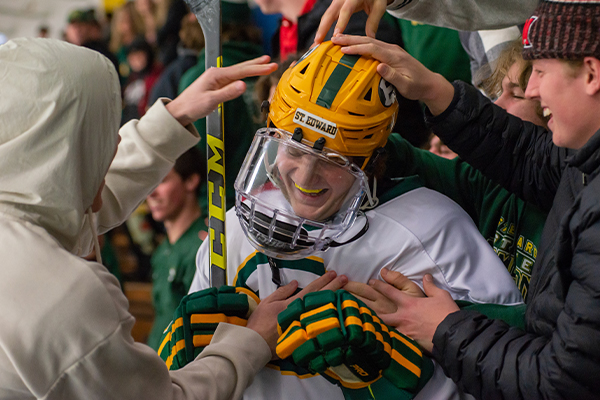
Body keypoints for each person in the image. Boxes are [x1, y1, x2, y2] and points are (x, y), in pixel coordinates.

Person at [188, 42, 523, 400]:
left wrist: (396, 373)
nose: (305, 176)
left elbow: (510, 378)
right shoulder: (234, 228)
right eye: (294, 148)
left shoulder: (432, 231)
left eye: (333, 160)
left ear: (371, 160)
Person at [0, 37, 312, 399]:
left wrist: (175, 115)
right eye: (101, 131)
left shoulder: (20, 211)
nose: (115, 144)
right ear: (69, 147)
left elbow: (72, 197)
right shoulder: (59, 298)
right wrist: (251, 343)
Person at [330, 0, 600, 396]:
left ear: (592, 73)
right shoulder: (583, 167)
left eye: (540, 72)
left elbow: (561, 383)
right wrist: (426, 94)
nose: (532, 88)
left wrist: (443, 327)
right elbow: (531, 159)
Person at [145, 147, 209, 350]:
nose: (151, 192)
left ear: (191, 181)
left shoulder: (204, 247)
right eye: (150, 181)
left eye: (162, 180)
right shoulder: (163, 249)